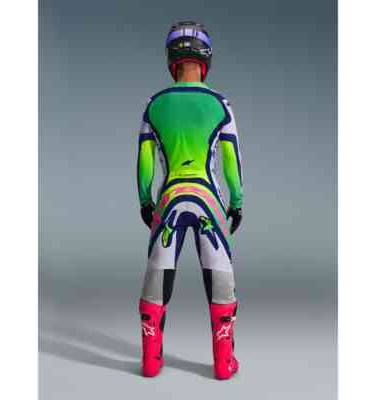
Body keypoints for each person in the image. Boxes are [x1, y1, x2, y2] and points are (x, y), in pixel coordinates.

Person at [136, 21, 243, 380]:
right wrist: (237, 202)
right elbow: (231, 162)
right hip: (209, 200)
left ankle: (151, 362)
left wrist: (145, 201)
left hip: (168, 201)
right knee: (220, 275)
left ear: (171, 59)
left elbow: (145, 163)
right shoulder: (220, 105)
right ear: (205, 59)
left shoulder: (154, 105)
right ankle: (223, 364)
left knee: (157, 275)